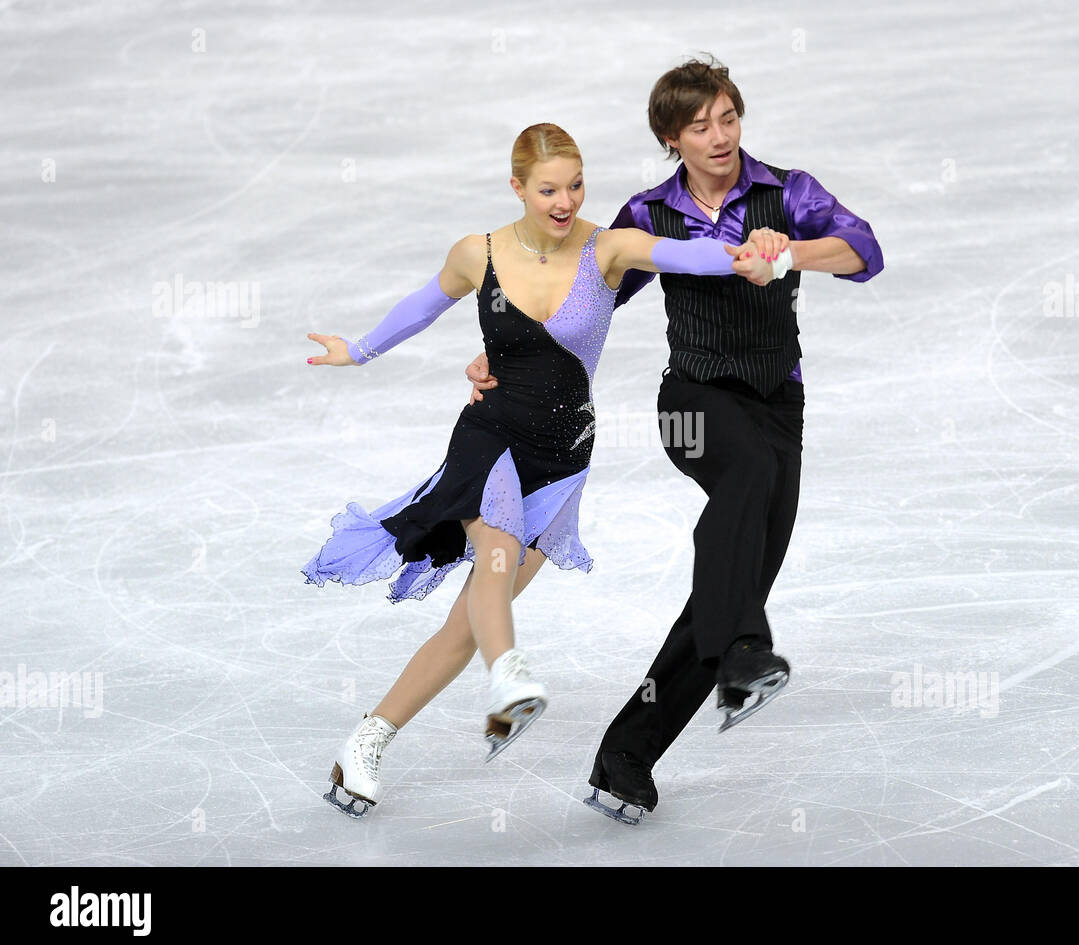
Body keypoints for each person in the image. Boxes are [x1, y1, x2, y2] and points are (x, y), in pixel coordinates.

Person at [301, 122, 770, 818]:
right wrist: (358, 350)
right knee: (495, 555)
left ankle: (365, 740)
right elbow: (426, 304)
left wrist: (743, 255)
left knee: (468, 622)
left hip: (563, 455)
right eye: (548, 188)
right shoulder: (478, 252)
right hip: (489, 436)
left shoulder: (607, 251)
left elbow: (680, 253)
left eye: (576, 185)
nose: (564, 200)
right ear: (517, 187)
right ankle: (511, 674)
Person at [466, 58, 884, 824]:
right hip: (692, 404)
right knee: (746, 482)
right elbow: (588, 294)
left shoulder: (786, 192)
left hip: (776, 405)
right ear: (672, 137)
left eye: (728, 118)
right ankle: (747, 650)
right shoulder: (650, 211)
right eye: (701, 126)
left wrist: (787, 251)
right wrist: (510, 352)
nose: (719, 136)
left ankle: (625, 758)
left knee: (734, 576)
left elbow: (864, 250)